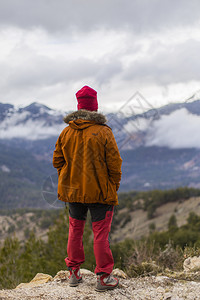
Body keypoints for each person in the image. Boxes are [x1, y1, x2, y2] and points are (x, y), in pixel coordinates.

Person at [53, 85, 122, 292]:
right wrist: (112, 186)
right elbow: (115, 164)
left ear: (79, 106)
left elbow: (57, 161)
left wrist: (68, 179)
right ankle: (103, 278)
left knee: (75, 230)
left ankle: (73, 272)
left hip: (73, 191)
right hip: (101, 193)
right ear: (95, 106)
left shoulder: (66, 132)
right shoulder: (104, 132)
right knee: (100, 234)